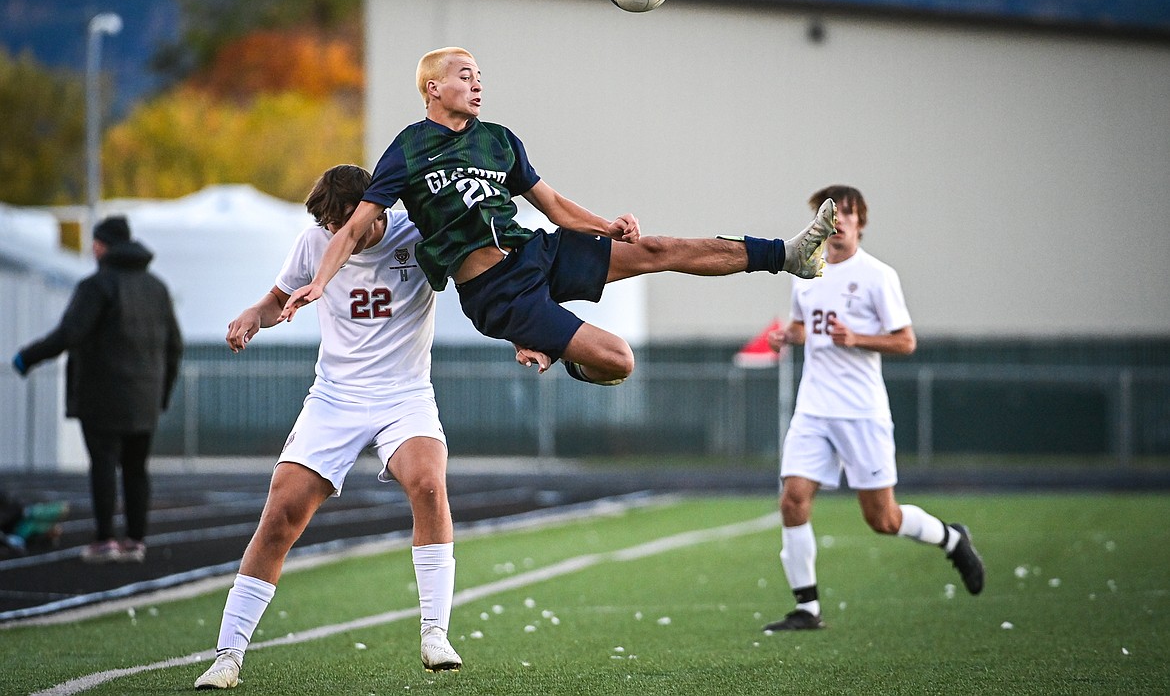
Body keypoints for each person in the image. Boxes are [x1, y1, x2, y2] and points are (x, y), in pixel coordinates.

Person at [279, 46, 837, 386]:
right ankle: (560, 352)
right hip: (500, 294)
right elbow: (354, 227)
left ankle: (787, 256)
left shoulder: (499, 141)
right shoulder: (408, 148)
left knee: (657, 250)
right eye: (466, 75)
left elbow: (553, 205)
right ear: (434, 88)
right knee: (620, 361)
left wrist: (605, 227)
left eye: (479, 76)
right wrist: (317, 284)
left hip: (535, 252)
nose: (477, 83)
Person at [195, 165, 461, 690]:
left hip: (404, 395)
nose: (339, 233)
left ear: (375, 209)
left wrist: (525, 334)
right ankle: (228, 656)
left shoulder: (418, 232)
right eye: (331, 224)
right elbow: (278, 299)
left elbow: (479, 284)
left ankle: (435, 632)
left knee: (429, 484)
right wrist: (254, 314)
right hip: (334, 398)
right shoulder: (315, 242)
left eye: (347, 221)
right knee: (281, 513)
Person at [762, 185, 984, 632]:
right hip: (814, 408)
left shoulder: (878, 276)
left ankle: (951, 537)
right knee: (793, 500)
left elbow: (906, 340)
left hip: (861, 411)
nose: (838, 220)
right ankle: (807, 608)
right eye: (830, 213)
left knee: (883, 519)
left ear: (861, 221)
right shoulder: (806, 270)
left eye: (847, 213)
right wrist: (790, 336)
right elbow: (803, 325)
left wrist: (857, 338)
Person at [12, 215, 182, 565]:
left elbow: (69, 334)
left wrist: (27, 357)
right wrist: (161, 393)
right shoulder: (157, 288)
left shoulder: (97, 286)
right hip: (145, 398)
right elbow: (175, 345)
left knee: (103, 465)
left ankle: (105, 540)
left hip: (102, 396)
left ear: (101, 246)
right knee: (136, 469)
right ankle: (135, 541)